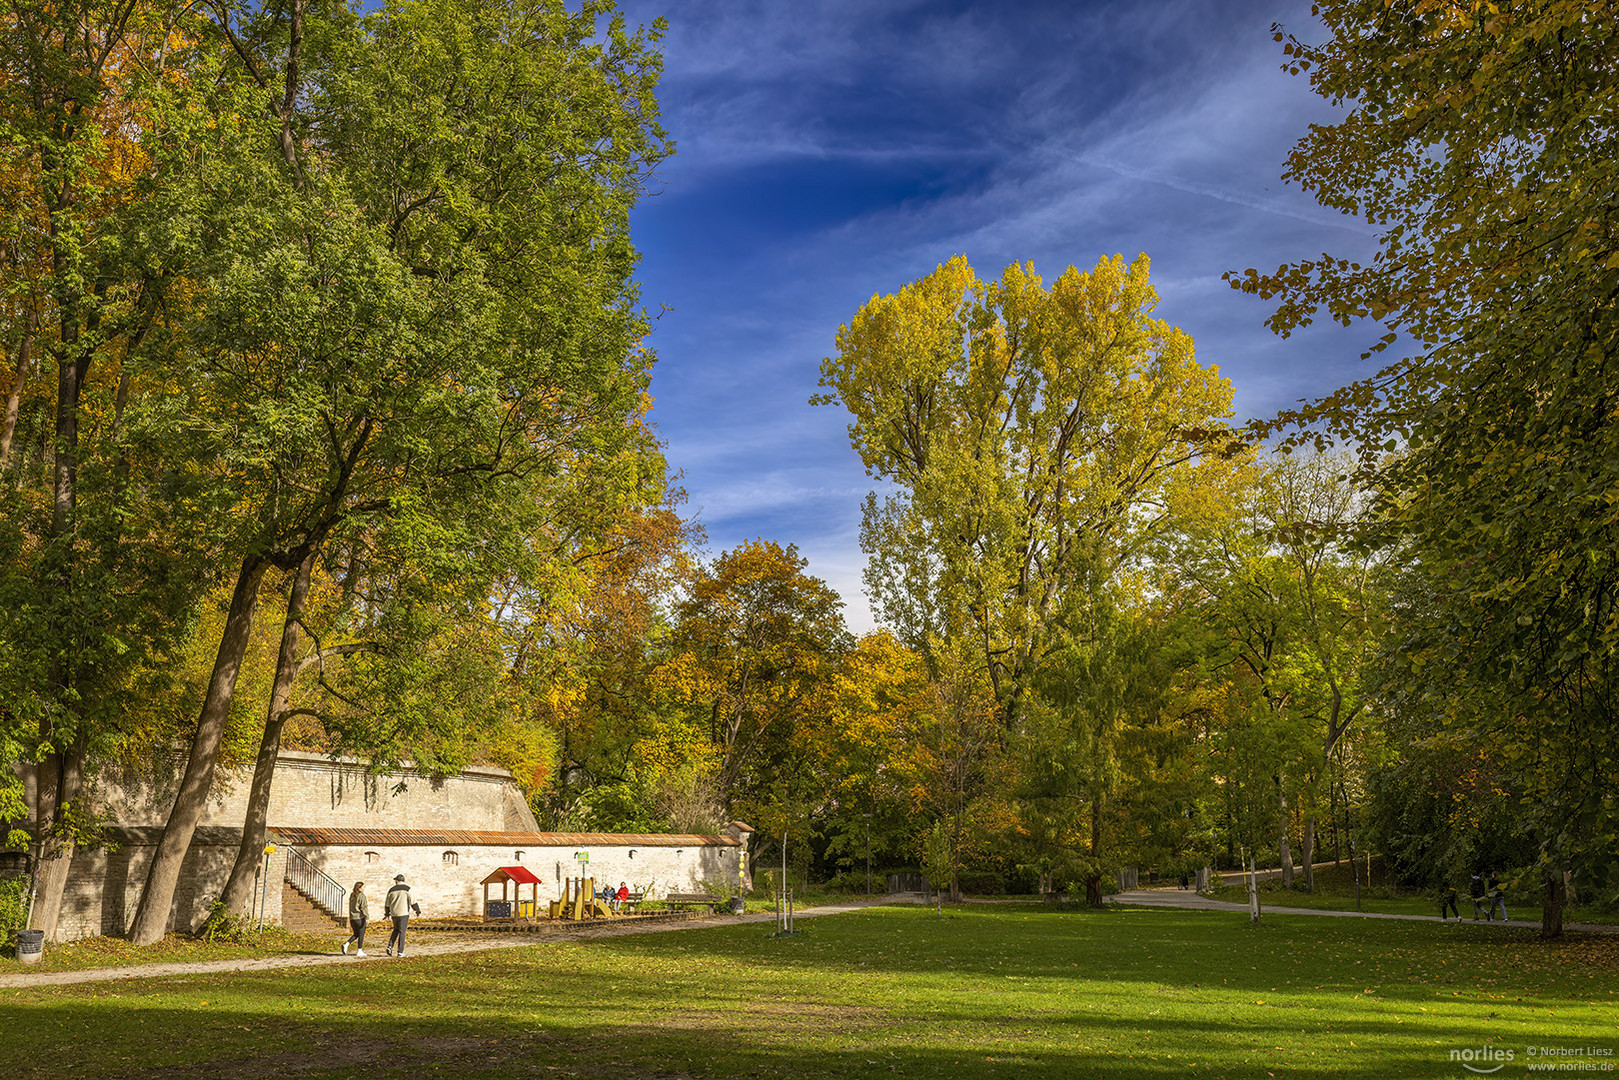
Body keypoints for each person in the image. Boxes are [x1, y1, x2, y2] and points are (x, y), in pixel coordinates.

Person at [384, 874, 420, 956]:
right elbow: (413, 901)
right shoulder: (407, 889)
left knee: (396, 930)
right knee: (402, 932)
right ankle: (400, 951)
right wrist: (417, 911)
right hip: (403, 913)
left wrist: (387, 913)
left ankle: (390, 946)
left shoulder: (391, 890)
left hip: (394, 913)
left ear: (396, 880)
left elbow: (387, 904)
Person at [342, 881, 369, 956]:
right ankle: (359, 950)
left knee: (356, 934)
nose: (364, 888)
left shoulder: (352, 895)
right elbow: (364, 907)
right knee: (361, 934)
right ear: (359, 888)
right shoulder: (361, 896)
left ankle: (346, 944)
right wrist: (367, 917)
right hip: (359, 917)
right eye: (363, 887)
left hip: (352, 918)